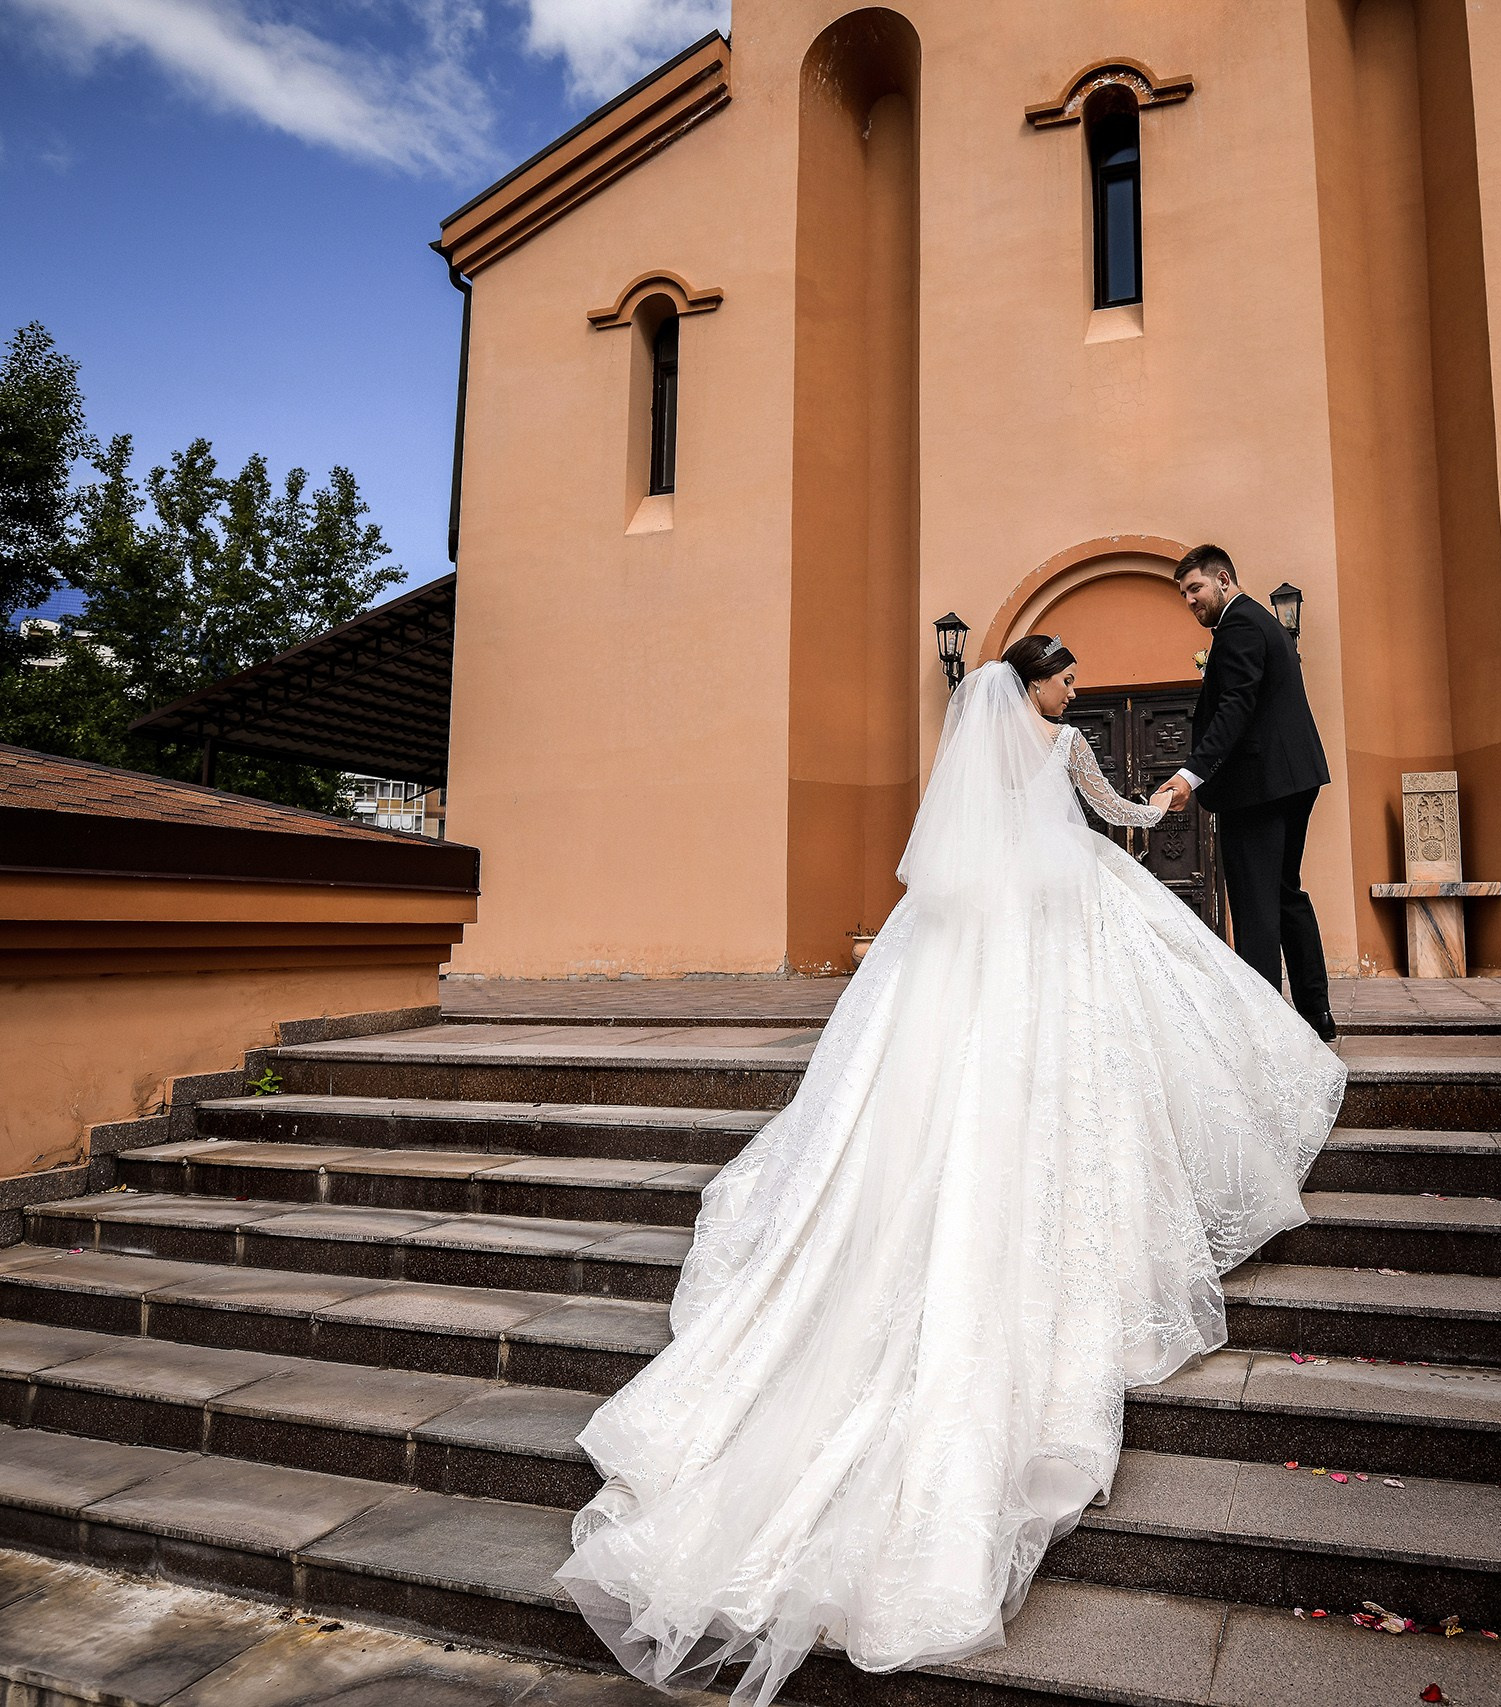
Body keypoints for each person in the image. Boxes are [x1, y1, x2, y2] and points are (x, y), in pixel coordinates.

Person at [559, 635, 1347, 1707]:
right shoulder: (1065, 738)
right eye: (1066, 674)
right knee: (1084, 1061)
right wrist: (1162, 804)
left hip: (973, 933)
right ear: (1035, 686)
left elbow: (958, 848)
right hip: (1058, 914)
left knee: (944, 1074)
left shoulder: (981, 752)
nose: (1078, 687)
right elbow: (1113, 816)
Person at [1151, 544, 1337, 1041]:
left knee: (1255, 904)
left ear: (1225, 580)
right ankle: (1316, 1014)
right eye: (1183, 593)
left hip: (1256, 787)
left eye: (1196, 588)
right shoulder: (1259, 622)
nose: (1190, 600)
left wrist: (1190, 775)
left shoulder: (1238, 625)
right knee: (1284, 893)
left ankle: (1265, 1029)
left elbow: (1236, 705)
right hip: (1292, 780)